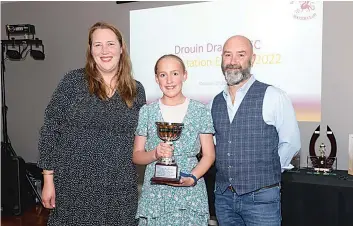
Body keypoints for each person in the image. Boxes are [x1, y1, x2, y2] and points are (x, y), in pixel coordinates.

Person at [37, 22, 146, 226]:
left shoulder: (136, 90)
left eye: (110, 44)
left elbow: (139, 138)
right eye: (98, 45)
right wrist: (48, 178)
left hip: (119, 188)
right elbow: (50, 129)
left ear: (121, 49)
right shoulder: (72, 82)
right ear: (91, 50)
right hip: (74, 185)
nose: (105, 51)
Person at [210, 35, 301, 226]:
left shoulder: (273, 96)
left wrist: (269, 176)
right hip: (224, 199)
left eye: (240, 55)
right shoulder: (214, 102)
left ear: (252, 59)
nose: (233, 62)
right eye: (228, 55)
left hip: (262, 200)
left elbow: (291, 143)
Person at [133, 54, 216, 225]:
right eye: (163, 75)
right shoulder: (147, 112)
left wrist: (193, 177)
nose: (169, 80)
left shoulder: (200, 110)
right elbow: (137, 155)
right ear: (156, 79)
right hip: (156, 195)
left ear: (185, 75)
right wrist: (155, 153)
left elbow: (209, 155)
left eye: (175, 73)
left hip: (190, 193)